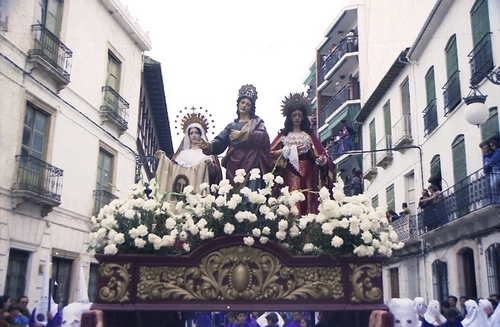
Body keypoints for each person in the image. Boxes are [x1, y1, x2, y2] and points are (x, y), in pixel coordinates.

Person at [270, 92, 335, 215]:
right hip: (288, 172)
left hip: (308, 172)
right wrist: (285, 152)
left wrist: (323, 161)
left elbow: (322, 155)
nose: (297, 118)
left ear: (303, 117)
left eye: (300, 115)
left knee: (308, 200)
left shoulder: (309, 136)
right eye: (294, 115)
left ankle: (307, 228)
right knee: (290, 201)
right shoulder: (283, 136)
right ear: (289, 117)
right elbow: (269, 155)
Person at [199, 84, 272, 189]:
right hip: (234, 164)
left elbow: (264, 138)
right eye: (242, 102)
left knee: (252, 193)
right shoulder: (231, 126)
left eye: (248, 104)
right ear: (238, 104)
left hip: (251, 161)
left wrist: (242, 135)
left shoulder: (257, 122)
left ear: (251, 108)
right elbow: (221, 141)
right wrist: (209, 145)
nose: (244, 106)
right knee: (234, 196)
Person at [172, 120, 222, 186]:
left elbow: (215, 175)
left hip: (201, 185)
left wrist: (210, 166)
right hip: (185, 186)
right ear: (188, 136)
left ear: (200, 135)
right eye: (191, 133)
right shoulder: (182, 155)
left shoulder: (207, 154)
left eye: (196, 133)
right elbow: (173, 170)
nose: (194, 135)